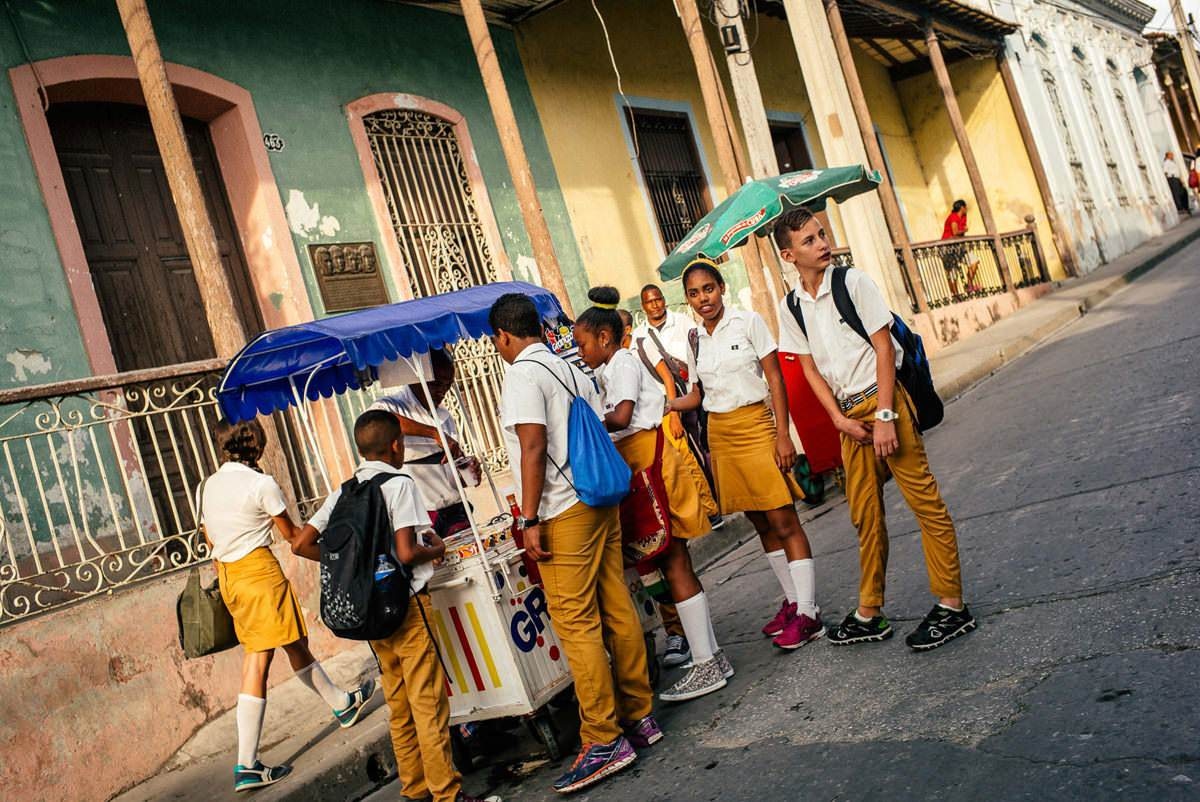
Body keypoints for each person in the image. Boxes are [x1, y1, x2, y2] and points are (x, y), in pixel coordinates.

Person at [773, 207, 975, 652]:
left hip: (884, 404)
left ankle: (952, 605)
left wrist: (885, 416)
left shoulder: (853, 282)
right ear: (789, 256)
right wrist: (839, 420)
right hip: (848, 415)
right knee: (865, 516)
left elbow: (885, 349)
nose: (822, 244)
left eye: (821, 234)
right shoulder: (791, 306)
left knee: (925, 503)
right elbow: (808, 369)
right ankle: (870, 611)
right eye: (809, 240)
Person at [489, 292, 658, 794]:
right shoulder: (571, 368)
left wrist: (531, 517)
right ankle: (640, 715)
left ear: (503, 335)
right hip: (600, 500)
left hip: (564, 508)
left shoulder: (523, 373)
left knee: (578, 623)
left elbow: (533, 445)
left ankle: (603, 737)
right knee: (616, 605)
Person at [291, 411, 498, 802]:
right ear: (396, 446)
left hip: (371, 615)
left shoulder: (344, 491)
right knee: (428, 702)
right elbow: (406, 553)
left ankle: (414, 789)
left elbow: (300, 544)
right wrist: (435, 548)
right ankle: (446, 793)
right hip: (407, 607)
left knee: (399, 706)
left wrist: (355, 569)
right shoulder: (399, 483)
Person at [197, 418, 374, 792]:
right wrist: (337, 557)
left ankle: (342, 703)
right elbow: (293, 536)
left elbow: (208, 534)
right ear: (257, 446)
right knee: (257, 662)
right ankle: (246, 764)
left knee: (294, 643)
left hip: (229, 577)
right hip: (258, 572)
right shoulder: (262, 485)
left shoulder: (207, 486)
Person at [574, 287, 732, 702]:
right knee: (667, 562)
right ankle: (709, 653)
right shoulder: (610, 368)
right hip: (640, 463)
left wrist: (585, 425)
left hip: (648, 462)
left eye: (583, 343)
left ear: (604, 339)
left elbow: (623, 416)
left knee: (675, 561)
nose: (580, 351)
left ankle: (706, 662)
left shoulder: (623, 363)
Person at [669, 260, 823, 652]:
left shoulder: (748, 321)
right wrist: (667, 404)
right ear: (687, 299)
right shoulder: (693, 339)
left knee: (782, 517)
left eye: (708, 289)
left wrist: (782, 434)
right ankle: (792, 602)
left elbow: (774, 378)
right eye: (694, 293)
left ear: (721, 287)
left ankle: (810, 613)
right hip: (720, 433)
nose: (703, 298)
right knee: (759, 520)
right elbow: (698, 394)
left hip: (756, 425)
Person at [632, 285, 722, 668]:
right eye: (648, 302)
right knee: (659, 563)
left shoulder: (638, 350)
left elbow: (669, 381)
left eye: (658, 299)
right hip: (641, 462)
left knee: (672, 556)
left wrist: (671, 410)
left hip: (668, 427)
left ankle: (703, 654)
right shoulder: (635, 340)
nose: (655, 305)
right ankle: (695, 645)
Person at [369, 348, 481, 539]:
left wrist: (466, 474)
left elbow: (448, 476)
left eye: (447, 385)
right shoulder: (391, 405)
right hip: (422, 517)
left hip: (455, 511)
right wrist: (433, 433)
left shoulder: (444, 416)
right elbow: (377, 421)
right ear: (417, 378)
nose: (442, 391)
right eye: (436, 383)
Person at [940, 199, 978, 296]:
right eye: (965, 207)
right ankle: (956, 296)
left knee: (974, 261)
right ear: (962, 207)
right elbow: (955, 232)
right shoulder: (953, 217)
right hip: (947, 248)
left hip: (958, 247)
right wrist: (964, 230)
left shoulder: (964, 216)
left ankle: (969, 285)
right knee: (953, 274)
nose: (967, 209)